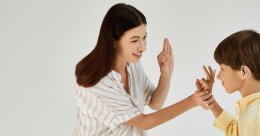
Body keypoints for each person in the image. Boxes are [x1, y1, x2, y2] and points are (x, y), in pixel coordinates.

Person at [73, 3, 210, 136]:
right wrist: (193, 101)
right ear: (113, 40)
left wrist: (166, 73)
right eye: (134, 40)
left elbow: (155, 103)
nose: (143, 47)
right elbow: (144, 122)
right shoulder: (100, 82)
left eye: (144, 38)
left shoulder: (132, 65)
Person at [195, 30, 260, 136]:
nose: (218, 76)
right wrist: (210, 100)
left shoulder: (254, 118)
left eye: (222, 68)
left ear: (243, 72)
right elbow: (235, 129)